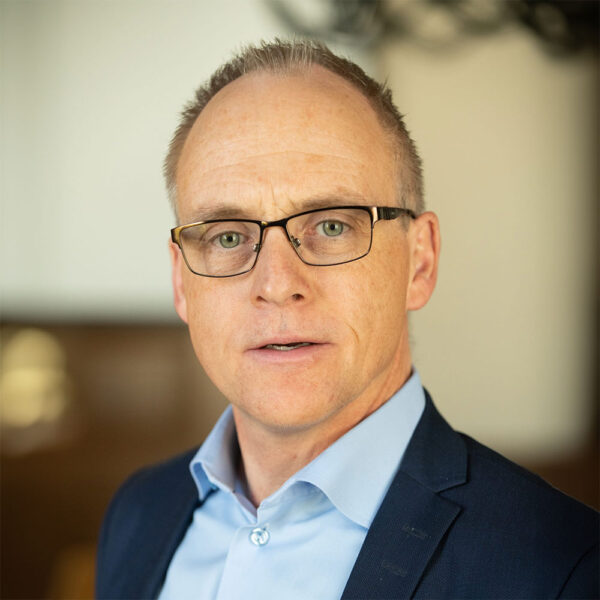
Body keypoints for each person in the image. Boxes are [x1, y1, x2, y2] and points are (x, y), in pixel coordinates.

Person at [96, 39, 598, 599]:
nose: (277, 284)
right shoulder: (139, 514)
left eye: (332, 226)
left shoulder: (563, 570)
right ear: (181, 283)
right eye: (229, 237)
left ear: (420, 261)